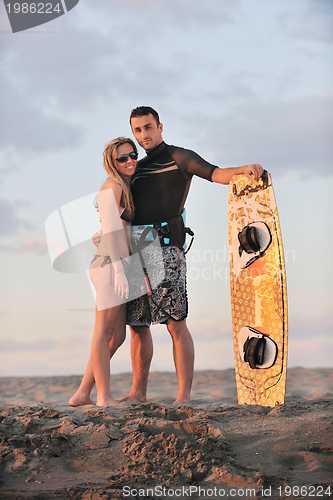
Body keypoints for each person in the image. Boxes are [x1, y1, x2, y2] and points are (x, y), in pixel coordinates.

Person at [92, 107, 263, 405]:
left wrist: (243, 169)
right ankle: (138, 393)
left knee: (174, 321)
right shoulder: (135, 168)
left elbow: (215, 173)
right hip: (135, 250)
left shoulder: (180, 157)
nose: (143, 135)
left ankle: (183, 396)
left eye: (148, 127)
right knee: (138, 326)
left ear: (160, 126)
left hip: (167, 249)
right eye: (137, 130)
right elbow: (121, 211)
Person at [69, 137, 138, 407]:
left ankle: (82, 393)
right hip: (110, 266)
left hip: (116, 264)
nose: (130, 160)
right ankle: (104, 397)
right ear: (112, 162)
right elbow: (111, 229)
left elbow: (110, 227)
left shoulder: (123, 187)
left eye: (133, 155)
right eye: (123, 158)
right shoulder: (112, 185)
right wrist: (119, 270)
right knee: (103, 333)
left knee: (118, 336)